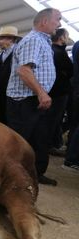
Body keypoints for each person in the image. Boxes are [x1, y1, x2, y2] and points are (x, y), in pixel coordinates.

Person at [6, 8, 62, 185]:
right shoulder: (34, 40)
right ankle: (9, 177)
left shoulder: (42, 41)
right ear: (44, 21)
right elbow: (24, 70)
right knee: (20, 143)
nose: (59, 24)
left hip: (33, 99)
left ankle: (34, 174)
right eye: (57, 19)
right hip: (25, 100)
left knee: (39, 139)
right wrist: (41, 93)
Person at [47, 28, 73, 154]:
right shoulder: (59, 53)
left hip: (51, 91)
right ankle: (51, 145)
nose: (67, 38)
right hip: (59, 92)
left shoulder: (50, 50)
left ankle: (56, 143)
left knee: (54, 119)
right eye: (66, 36)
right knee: (54, 119)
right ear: (61, 37)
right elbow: (70, 71)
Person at [0, 26, 21, 124]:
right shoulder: (0, 55)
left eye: (2, 39)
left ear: (11, 39)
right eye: (0, 39)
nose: (0, 41)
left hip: (11, 94)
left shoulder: (18, 52)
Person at [63, 40, 79, 172]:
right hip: (77, 88)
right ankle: (72, 158)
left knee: (74, 123)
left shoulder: (76, 45)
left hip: (75, 88)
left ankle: (71, 154)